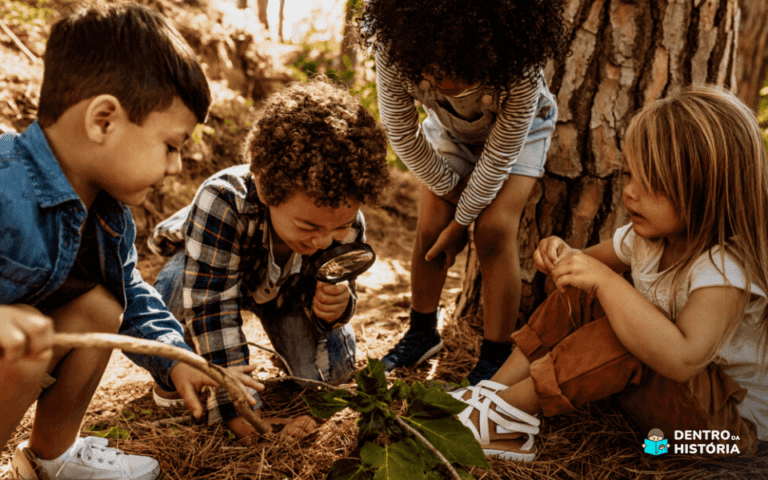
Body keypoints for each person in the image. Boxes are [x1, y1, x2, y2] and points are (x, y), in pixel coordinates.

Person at [448, 85, 768, 461]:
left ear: (708, 192)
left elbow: (683, 359)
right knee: (584, 291)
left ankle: (504, 418)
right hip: (670, 402)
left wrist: (606, 281)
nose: (630, 193)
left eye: (652, 185)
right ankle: (493, 392)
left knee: (622, 329)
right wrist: (562, 254)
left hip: (726, 434)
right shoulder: (648, 238)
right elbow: (583, 265)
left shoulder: (724, 271)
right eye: (630, 175)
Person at [0, 4, 227, 479]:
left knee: (104, 306)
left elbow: (133, 298)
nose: (176, 167)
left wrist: (176, 359)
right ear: (104, 120)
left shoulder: (109, 219)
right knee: (23, 347)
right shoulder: (5, 181)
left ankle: (51, 458)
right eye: (171, 145)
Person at [145, 76, 390, 441]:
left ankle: (290, 356)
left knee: (331, 375)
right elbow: (212, 304)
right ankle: (173, 377)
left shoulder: (343, 219)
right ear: (264, 188)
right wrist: (237, 403)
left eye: (337, 227)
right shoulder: (222, 201)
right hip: (217, 276)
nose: (323, 240)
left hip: (287, 296)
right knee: (175, 283)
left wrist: (336, 307)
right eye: (308, 225)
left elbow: (342, 284)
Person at [357, 0, 569, 384]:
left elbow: (502, 153)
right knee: (430, 228)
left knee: (493, 231)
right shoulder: (395, 48)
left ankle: (495, 355)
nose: (445, 84)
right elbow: (403, 135)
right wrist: (454, 203)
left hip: (520, 136)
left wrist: (463, 224)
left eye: (460, 72)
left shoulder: (519, 64)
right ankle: (421, 334)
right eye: (434, 73)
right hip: (450, 132)